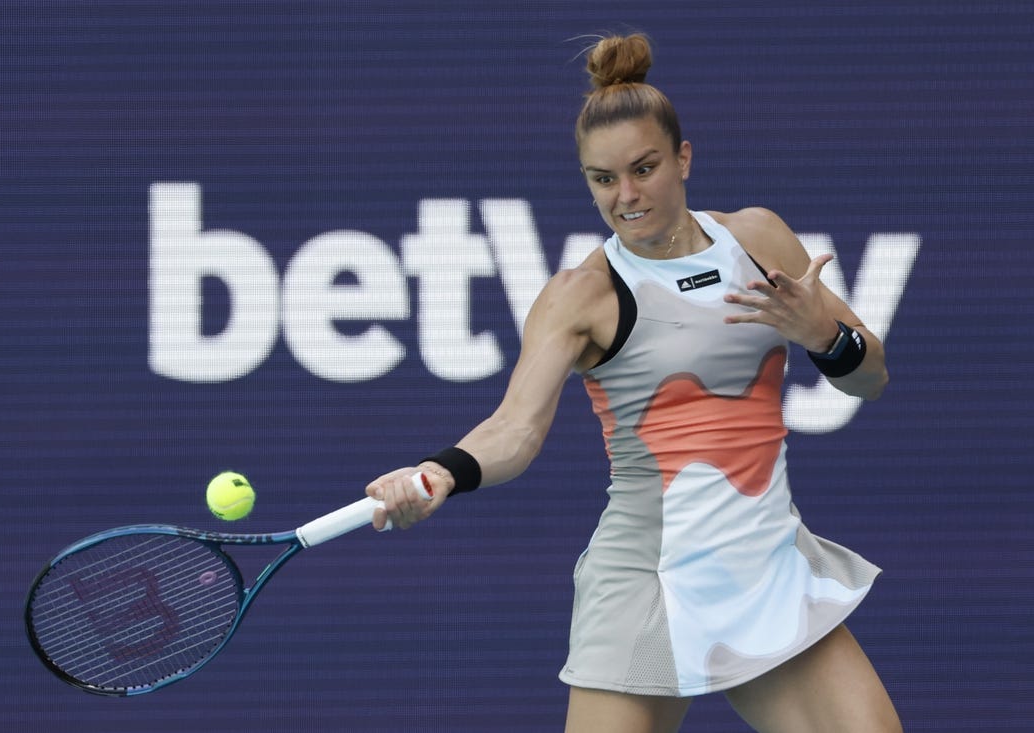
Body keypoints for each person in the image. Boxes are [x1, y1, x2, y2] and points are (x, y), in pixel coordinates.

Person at [367, 33, 903, 733]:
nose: (626, 196)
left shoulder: (759, 240)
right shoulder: (582, 295)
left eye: (643, 169)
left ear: (683, 158)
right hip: (646, 581)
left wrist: (823, 338)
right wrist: (439, 472)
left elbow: (871, 378)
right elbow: (516, 429)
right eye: (602, 178)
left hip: (763, 567)